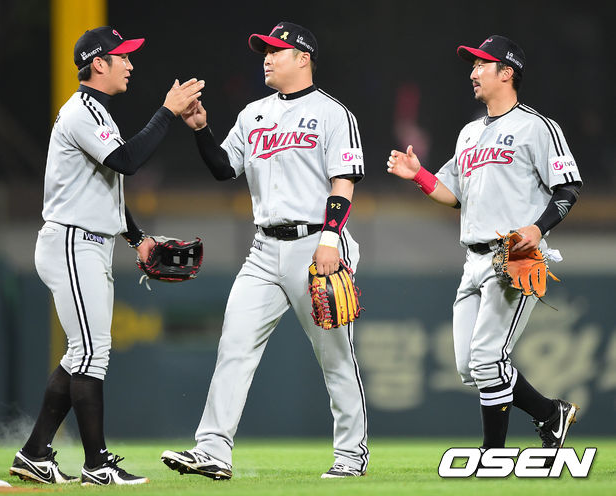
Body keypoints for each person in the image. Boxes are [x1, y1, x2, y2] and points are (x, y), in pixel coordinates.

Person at [160, 21, 369, 479]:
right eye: (265, 52)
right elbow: (224, 168)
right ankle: (213, 450)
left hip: (317, 244)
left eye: (277, 51)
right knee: (234, 346)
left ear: (303, 58)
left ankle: (351, 456)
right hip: (263, 249)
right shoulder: (253, 114)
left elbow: (344, 182)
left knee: (335, 356)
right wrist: (201, 130)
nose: (267, 58)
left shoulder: (333, 113)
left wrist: (330, 239)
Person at [8, 26, 204, 485]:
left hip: (88, 242)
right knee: (92, 354)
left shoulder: (97, 113)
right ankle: (96, 465)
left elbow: (105, 187)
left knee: (82, 354)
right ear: (99, 63)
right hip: (72, 242)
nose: (130, 64)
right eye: (123, 57)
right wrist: (166, 112)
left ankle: (34, 454)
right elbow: (127, 163)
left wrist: (137, 238)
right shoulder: (81, 111)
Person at [387, 35, 582, 456]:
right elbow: (453, 194)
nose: (473, 73)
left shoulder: (537, 127)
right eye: (473, 66)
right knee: (469, 366)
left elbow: (567, 188)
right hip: (472, 261)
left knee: (487, 358)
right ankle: (550, 412)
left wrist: (538, 229)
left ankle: (492, 453)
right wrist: (419, 175)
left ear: (506, 72)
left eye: (482, 65)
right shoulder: (470, 133)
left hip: (515, 258)